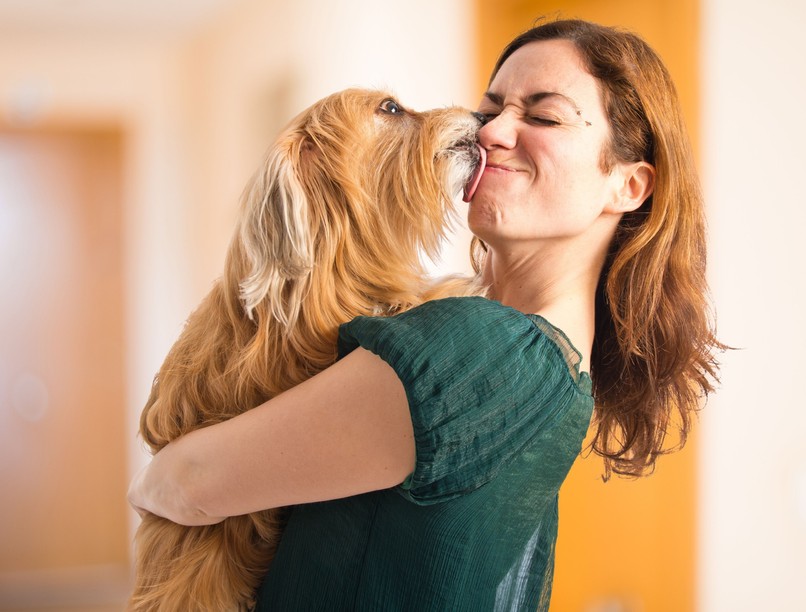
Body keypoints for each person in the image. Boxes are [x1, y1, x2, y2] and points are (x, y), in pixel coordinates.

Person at [128, 18, 722, 611]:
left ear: (628, 186)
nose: (490, 133)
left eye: (543, 116)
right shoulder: (549, 368)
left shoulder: (486, 350)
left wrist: (153, 478)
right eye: (490, 112)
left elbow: (185, 485)